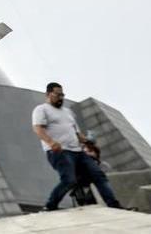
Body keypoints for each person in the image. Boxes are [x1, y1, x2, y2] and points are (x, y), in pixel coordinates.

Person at [31, 82, 123, 211]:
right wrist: (51, 142)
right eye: (58, 94)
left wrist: (87, 141)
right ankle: (50, 205)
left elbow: (76, 133)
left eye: (62, 95)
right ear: (48, 94)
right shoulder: (41, 109)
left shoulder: (68, 112)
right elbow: (38, 128)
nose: (61, 97)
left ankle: (114, 205)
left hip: (78, 151)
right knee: (69, 179)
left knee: (98, 174)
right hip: (60, 151)